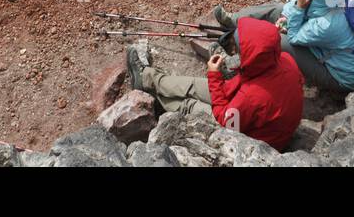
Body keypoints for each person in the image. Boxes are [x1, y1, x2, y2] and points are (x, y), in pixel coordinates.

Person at [126, 16, 304, 152]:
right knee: (196, 85)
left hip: (251, 135)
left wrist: (214, 76)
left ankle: (156, 99)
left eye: (239, 50)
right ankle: (147, 77)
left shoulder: (252, 97)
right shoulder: (284, 59)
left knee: (190, 105)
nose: (235, 51)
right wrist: (220, 79)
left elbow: (226, 120)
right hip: (253, 108)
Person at [211, 0, 354, 94]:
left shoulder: (330, 24)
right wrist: (285, 16)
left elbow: (294, 37)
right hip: (321, 49)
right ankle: (233, 21)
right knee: (278, 8)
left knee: (281, 42)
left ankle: (237, 67)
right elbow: (291, 6)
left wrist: (296, 12)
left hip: (339, 77)